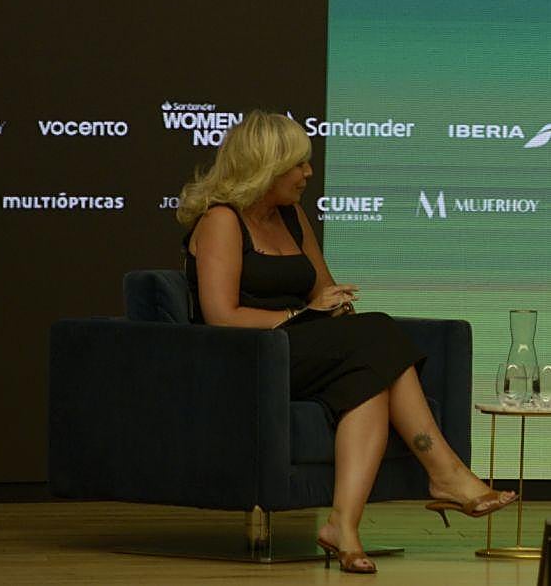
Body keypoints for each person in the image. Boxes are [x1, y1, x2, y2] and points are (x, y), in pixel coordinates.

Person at [178, 110, 514, 574]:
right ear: (266, 165)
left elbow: (322, 290)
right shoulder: (221, 220)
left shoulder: (292, 217)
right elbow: (222, 316)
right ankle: (445, 472)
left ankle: (344, 527)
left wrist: (332, 306)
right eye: (298, 164)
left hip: (301, 352)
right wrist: (301, 316)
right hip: (247, 360)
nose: (308, 174)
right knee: (376, 333)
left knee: (368, 377)